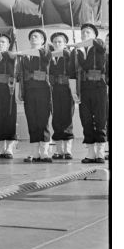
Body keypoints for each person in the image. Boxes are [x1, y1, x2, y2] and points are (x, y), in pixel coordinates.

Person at [74, 23, 108, 164]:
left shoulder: (99, 47)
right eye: (83, 32)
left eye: (88, 32)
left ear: (94, 35)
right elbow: (72, 73)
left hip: (99, 88)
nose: (84, 34)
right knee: (86, 120)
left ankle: (100, 153)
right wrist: (73, 91)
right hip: (84, 89)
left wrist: (87, 42)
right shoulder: (77, 51)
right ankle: (90, 153)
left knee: (100, 120)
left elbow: (100, 44)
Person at [19, 29, 53, 163]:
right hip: (29, 91)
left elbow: (46, 55)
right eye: (31, 36)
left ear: (43, 40)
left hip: (43, 90)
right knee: (32, 120)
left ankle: (44, 151)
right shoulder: (24, 56)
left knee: (43, 121)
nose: (33, 38)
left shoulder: (45, 53)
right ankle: (34, 152)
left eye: (37, 36)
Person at [49, 32, 78, 159]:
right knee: (56, 118)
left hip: (66, 89)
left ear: (65, 43)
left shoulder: (69, 55)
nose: (57, 44)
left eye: (60, 41)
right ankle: (59, 149)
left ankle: (67, 149)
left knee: (67, 118)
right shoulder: (49, 57)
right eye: (55, 42)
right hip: (54, 89)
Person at [0, 34, 18, 160]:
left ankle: (9, 147)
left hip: (10, 90)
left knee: (10, 117)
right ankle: (0, 145)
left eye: (3, 42)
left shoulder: (12, 56)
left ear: (8, 44)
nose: (1, 44)